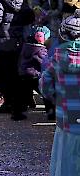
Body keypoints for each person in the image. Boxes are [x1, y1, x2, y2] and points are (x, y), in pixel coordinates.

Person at [41, 10, 80, 176]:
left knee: (64, 158)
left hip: (65, 117)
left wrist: (55, 95)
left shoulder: (57, 57)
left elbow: (44, 85)